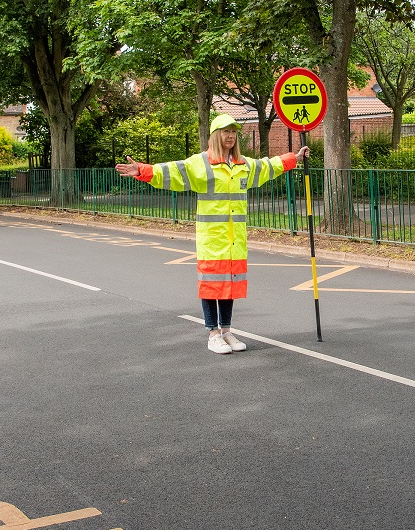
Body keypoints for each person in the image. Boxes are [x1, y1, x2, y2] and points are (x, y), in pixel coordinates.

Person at [117, 114, 308, 354]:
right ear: (216, 135)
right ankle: (212, 334)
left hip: (235, 239)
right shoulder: (202, 163)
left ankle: (226, 331)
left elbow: (267, 166)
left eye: (234, 132)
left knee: (229, 284)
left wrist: (294, 158)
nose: (230, 136)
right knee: (211, 285)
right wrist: (141, 170)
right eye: (225, 131)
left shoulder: (242, 165)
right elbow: (172, 172)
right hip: (212, 238)